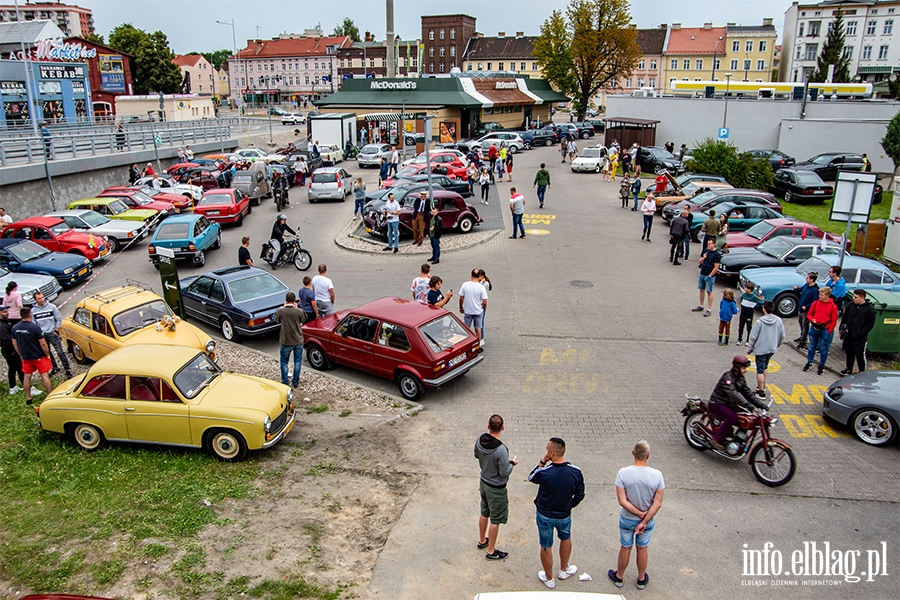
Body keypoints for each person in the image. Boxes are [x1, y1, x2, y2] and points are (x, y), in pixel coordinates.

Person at [528, 437, 585, 590]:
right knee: (565, 538)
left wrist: (542, 461)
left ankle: (549, 578)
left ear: (552, 453)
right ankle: (564, 569)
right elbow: (580, 494)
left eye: (547, 450)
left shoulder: (545, 472)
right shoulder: (575, 472)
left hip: (545, 515)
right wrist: (569, 506)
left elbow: (531, 476)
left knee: (546, 545)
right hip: (564, 515)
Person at [609, 440, 665, 591]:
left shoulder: (623, 473)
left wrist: (637, 513)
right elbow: (657, 503)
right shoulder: (657, 475)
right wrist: (644, 519)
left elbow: (622, 500)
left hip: (627, 519)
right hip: (647, 521)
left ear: (633, 453)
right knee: (642, 548)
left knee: (625, 547)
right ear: (648, 456)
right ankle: (641, 579)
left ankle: (619, 576)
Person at [475, 414, 518, 561]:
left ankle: (482, 541)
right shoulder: (501, 450)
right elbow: (504, 472)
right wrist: (511, 463)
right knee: (495, 519)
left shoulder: (480, 440)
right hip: (496, 488)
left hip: (483, 483)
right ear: (502, 428)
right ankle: (491, 551)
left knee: (484, 511)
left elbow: (476, 454)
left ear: (488, 426)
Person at [707, 355, 768, 451]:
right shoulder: (727, 377)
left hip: (728, 404)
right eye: (743, 368)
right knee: (732, 417)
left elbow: (748, 393)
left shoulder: (740, 378)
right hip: (717, 403)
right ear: (737, 368)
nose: (745, 370)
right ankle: (716, 439)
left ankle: (737, 440)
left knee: (747, 418)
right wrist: (746, 404)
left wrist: (760, 404)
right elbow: (733, 393)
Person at [11, 307, 53, 405]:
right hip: (38, 356)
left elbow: (14, 343)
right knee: (44, 375)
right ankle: (50, 396)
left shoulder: (15, 328)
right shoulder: (35, 327)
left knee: (27, 377)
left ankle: (28, 398)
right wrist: (47, 354)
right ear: (30, 315)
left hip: (26, 357)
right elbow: (42, 343)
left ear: (21, 315)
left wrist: (20, 354)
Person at [747, 301, 785, 397]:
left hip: (761, 349)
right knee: (765, 366)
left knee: (759, 370)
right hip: (771, 348)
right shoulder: (778, 320)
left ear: (764, 309)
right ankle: (762, 385)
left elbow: (753, 337)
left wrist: (750, 349)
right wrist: (777, 345)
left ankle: (761, 392)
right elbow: (782, 336)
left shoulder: (760, 322)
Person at [30, 292, 71, 379]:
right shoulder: (33, 311)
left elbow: (58, 318)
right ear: (35, 300)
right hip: (42, 335)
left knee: (60, 351)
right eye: (39, 299)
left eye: (42, 297)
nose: (41, 300)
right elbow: (33, 323)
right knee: (47, 352)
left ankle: (67, 369)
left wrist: (57, 329)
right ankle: (54, 367)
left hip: (52, 332)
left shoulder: (52, 307)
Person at [840, 289, 877, 375]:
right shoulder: (851, 305)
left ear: (862, 298)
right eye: (854, 296)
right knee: (849, 353)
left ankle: (862, 372)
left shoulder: (870, 310)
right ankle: (849, 369)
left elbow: (869, 325)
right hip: (848, 335)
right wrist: (841, 329)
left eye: (856, 297)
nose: (854, 298)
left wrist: (860, 333)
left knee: (859, 354)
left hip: (859, 338)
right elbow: (845, 317)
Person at [804, 287, 839, 375]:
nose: (820, 296)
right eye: (819, 294)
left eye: (822, 295)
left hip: (825, 330)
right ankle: (809, 363)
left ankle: (821, 365)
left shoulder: (833, 307)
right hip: (814, 328)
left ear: (827, 295)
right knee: (812, 346)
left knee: (824, 349)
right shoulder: (815, 303)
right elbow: (809, 314)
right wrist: (812, 320)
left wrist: (829, 331)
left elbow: (834, 320)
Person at [274, 292, 305, 388]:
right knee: (297, 361)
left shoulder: (280, 311)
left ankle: (285, 382)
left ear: (286, 300)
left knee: (284, 362)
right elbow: (303, 319)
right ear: (294, 300)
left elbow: (276, 320)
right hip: (298, 339)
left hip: (286, 340)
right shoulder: (299, 311)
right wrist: (296, 308)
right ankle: (295, 381)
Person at [693, 238, 721, 317]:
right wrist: (703, 258)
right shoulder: (706, 251)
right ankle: (701, 305)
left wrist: (710, 275)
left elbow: (716, 267)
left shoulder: (717, 254)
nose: (708, 245)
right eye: (708, 244)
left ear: (714, 244)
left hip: (709, 276)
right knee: (701, 290)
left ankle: (709, 309)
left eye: (710, 244)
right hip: (702, 273)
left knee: (709, 291)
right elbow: (700, 261)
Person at [459, 269, 488, 345]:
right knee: (478, 328)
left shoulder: (465, 285)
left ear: (471, 275)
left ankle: (467, 343)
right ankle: (478, 344)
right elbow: (484, 301)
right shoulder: (481, 287)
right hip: (478, 311)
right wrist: (483, 308)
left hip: (468, 311)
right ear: (479, 276)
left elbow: (461, 298)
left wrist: (461, 307)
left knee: (467, 328)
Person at [0, 306, 25, 395]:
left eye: (7, 311)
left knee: (12, 369)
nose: (7, 313)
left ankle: (13, 386)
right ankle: (27, 386)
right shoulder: (2, 326)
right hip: (11, 351)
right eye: (4, 312)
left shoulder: (5, 322)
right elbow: (6, 340)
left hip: (8, 351)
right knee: (20, 368)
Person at [794, 272, 819, 349]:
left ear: (812, 279)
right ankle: (802, 336)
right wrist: (796, 289)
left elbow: (815, 301)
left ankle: (803, 340)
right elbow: (800, 290)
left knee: (805, 325)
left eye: (807, 278)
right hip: (801, 308)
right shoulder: (806, 285)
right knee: (800, 323)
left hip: (806, 310)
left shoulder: (815, 290)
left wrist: (807, 306)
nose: (806, 279)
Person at [476, 269, 493, 344]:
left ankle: (482, 338)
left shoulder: (485, 284)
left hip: (482, 305)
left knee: (481, 322)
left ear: (482, 276)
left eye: (478, 276)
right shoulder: (480, 282)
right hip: (478, 304)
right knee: (479, 322)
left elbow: (480, 291)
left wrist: (481, 283)